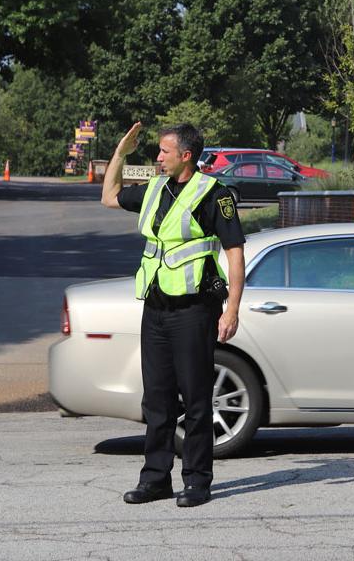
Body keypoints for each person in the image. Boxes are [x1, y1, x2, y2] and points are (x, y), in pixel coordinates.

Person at [100, 122, 245, 507]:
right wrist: (120, 153)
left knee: (196, 400)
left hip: (195, 310)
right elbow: (109, 196)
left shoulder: (214, 194)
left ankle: (197, 481)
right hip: (157, 307)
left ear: (186, 155)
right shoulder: (154, 188)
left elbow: (234, 252)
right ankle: (155, 479)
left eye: (164, 152)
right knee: (157, 400)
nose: (157, 158)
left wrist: (232, 309)